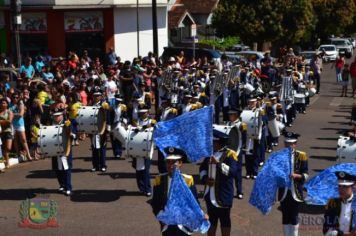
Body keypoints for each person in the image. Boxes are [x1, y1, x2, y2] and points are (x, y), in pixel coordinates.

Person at [151, 146, 199, 236]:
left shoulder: (188, 180)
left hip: (184, 224)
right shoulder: (159, 180)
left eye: (174, 162)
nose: (170, 165)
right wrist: (162, 218)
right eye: (168, 162)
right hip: (167, 224)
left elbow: (194, 202)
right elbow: (155, 203)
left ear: (180, 163)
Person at [200, 131, 238, 236]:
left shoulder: (231, 154)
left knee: (225, 221)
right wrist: (204, 179)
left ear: (220, 142)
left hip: (223, 195)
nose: (212, 144)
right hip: (210, 194)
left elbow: (232, 172)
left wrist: (218, 164)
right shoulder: (210, 153)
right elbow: (202, 168)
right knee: (211, 220)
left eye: (214, 142)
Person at [278, 132, 308, 236]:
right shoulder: (279, 156)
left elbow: (306, 174)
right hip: (284, 193)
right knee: (285, 217)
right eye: (287, 143)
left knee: (294, 217)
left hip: (296, 192)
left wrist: (297, 176)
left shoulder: (302, 156)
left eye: (291, 144)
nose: (289, 146)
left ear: (295, 144)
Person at [131, 107, 156, 196]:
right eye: (141, 113)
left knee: (146, 170)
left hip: (147, 148)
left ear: (148, 113)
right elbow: (132, 129)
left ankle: (148, 189)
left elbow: (153, 127)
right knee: (138, 170)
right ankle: (141, 188)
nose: (142, 114)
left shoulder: (152, 121)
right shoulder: (136, 121)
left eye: (144, 113)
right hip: (137, 147)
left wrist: (142, 127)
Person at [51, 108, 73, 196]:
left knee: (66, 169)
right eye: (55, 116)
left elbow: (72, 135)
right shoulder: (51, 125)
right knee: (58, 169)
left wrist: (69, 130)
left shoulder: (67, 123)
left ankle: (68, 187)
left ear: (62, 116)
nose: (56, 117)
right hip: (55, 150)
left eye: (58, 116)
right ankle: (62, 185)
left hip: (65, 149)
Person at [226, 108, 247, 199]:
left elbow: (244, 139)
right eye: (230, 115)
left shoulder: (241, 125)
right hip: (229, 151)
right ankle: (229, 191)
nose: (230, 116)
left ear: (236, 115)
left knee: (238, 172)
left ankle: (239, 191)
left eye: (232, 115)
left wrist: (242, 147)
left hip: (238, 151)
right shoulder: (228, 124)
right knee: (229, 171)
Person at [0, 98, 13, 169]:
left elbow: (9, 121)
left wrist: (1, 121)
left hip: (8, 131)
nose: (3, 104)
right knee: (3, 148)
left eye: (4, 103)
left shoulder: (9, 112)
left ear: (7, 104)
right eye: (2, 103)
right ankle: (7, 162)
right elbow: (7, 121)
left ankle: (6, 160)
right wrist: (5, 121)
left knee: (8, 148)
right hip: (1, 132)